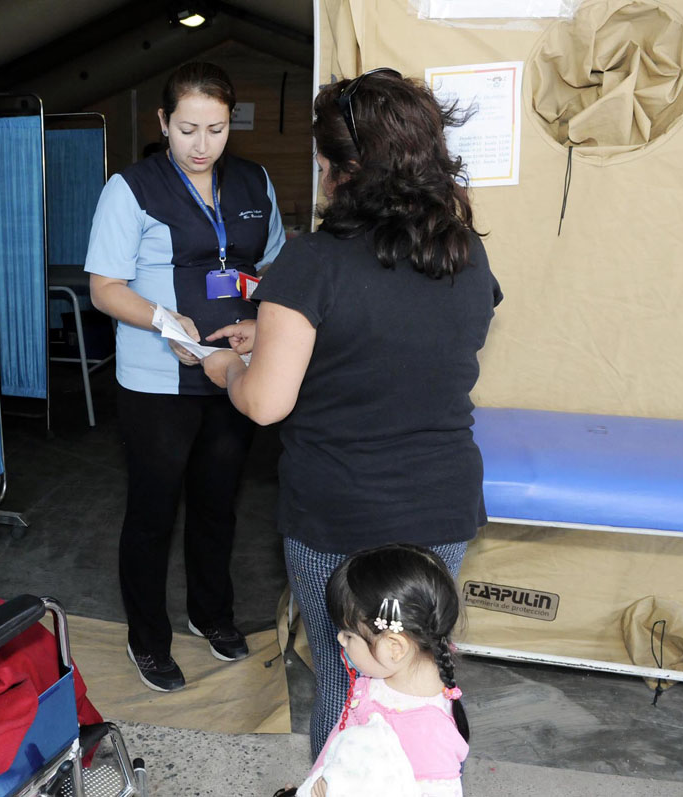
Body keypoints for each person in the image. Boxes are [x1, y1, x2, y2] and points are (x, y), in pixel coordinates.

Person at [201, 68, 500, 750]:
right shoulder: (466, 253)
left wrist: (229, 365)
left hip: (340, 516)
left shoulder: (312, 262)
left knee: (347, 679)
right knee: (416, 669)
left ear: (342, 170)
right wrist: (284, 337)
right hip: (440, 507)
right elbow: (407, 345)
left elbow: (266, 403)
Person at [85, 61, 285, 692]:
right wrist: (165, 323)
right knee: (152, 512)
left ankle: (211, 615)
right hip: (157, 381)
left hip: (235, 372)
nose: (202, 146)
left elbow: (275, 268)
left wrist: (262, 324)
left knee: (218, 503)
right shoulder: (132, 188)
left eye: (217, 130)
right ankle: (148, 639)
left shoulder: (254, 182)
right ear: (164, 123)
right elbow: (104, 289)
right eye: (189, 130)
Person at [293, 544, 470, 797]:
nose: (341, 641)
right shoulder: (387, 675)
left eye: (349, 635)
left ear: (394, 647)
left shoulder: (427, 735)